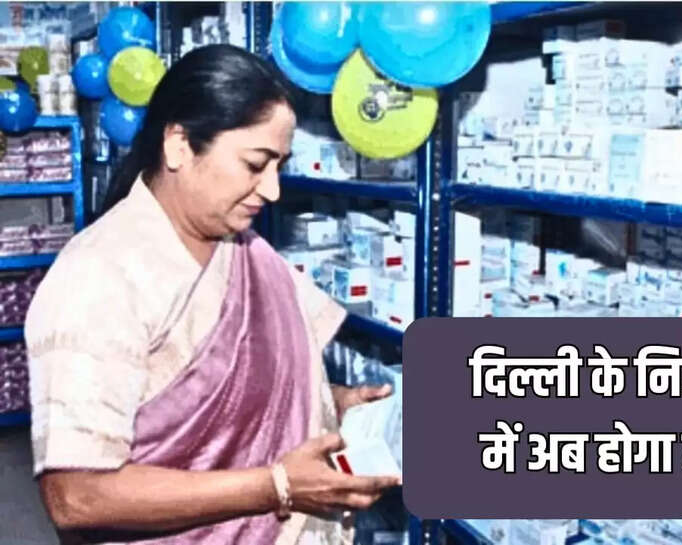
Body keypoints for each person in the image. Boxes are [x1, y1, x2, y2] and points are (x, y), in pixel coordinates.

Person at [23, 44, 400, 545]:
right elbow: (76, 495)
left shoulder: (243, 250)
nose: (273, 191)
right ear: (180, 145)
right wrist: (276, 486)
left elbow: (253, 387)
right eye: (255, 164)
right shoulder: (99, 278)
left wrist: (331, 404)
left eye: (280, 166)